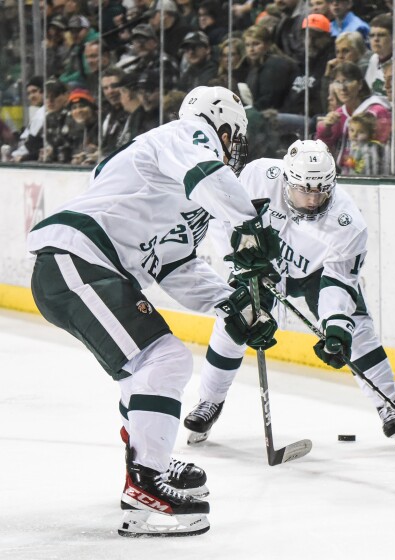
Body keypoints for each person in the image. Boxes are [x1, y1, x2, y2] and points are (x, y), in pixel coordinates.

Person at [26, 86, 280, 536]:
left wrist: (231, 302)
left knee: (141, 373)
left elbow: (175, 266)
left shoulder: (186, 194)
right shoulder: (186, 134)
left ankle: (148, 462)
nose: (234, 148)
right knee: (165, 359)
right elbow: (209, 174)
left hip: (88, 269)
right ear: (221, 126)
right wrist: (248, 226)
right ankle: (145, 481)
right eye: (234, 137)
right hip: (77, 260)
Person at [183, 139, 395, 447]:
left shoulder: (348, 223)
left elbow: (340, 278)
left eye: (321, 190)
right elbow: (222, 216)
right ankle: (209, 402)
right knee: (235, 322)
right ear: (286, 180)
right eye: (304, 190)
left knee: (356, 331)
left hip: (316, 273)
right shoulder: (258, 177)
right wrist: (239, 259)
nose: (313, 199)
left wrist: (335, 324)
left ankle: (389, 403)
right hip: (262, 264)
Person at [316, 63, 391, 162]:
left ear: (360, 84)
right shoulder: (339, 114)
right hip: (344, 168)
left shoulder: (377, 111)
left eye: (348, 81)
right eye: (337, 82)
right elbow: (322, 150)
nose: (343, 88)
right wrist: (326, 128)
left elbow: (383, 148)